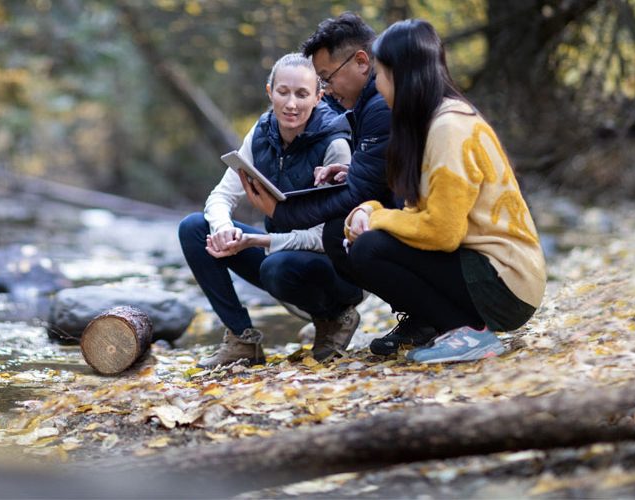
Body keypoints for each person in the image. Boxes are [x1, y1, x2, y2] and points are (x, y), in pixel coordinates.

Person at [341, 19, 546, 363]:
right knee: (366, 242)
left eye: (379, 74)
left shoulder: (449, 128)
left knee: (370, 250)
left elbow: (442, 233)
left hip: (505, 283)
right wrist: (370, 213)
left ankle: (466, 332)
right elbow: (420, 216)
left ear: (401, 76)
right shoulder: (434, 124)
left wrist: (376, 218)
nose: (376, 84)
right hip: (491, 272)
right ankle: (450, 327)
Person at [238, 13, 425, 351]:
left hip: (430, 224)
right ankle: (419, 315)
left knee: (341, 231)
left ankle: (425, 316)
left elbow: (362, 193)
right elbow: (376, 177)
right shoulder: (367, 105)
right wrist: (347, 173)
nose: (326, 90)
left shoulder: (380, 105)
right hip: (413, 216)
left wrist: (282, 213)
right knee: (342, 230)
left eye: (326, 78)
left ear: (361, 62)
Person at [178, 53, 364, 368]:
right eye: (283, 92)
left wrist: (254, 242)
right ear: (270, 92)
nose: (291, 103)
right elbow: (221, 195)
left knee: (275, 267)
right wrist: (223, 228)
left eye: (302, 94)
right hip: (279, 258)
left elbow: (328, 237)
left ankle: (336, 317)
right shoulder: (262, 133)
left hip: (335, 273)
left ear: (318, 97)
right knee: (194, 227)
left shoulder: (335, 143)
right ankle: (241, 339)